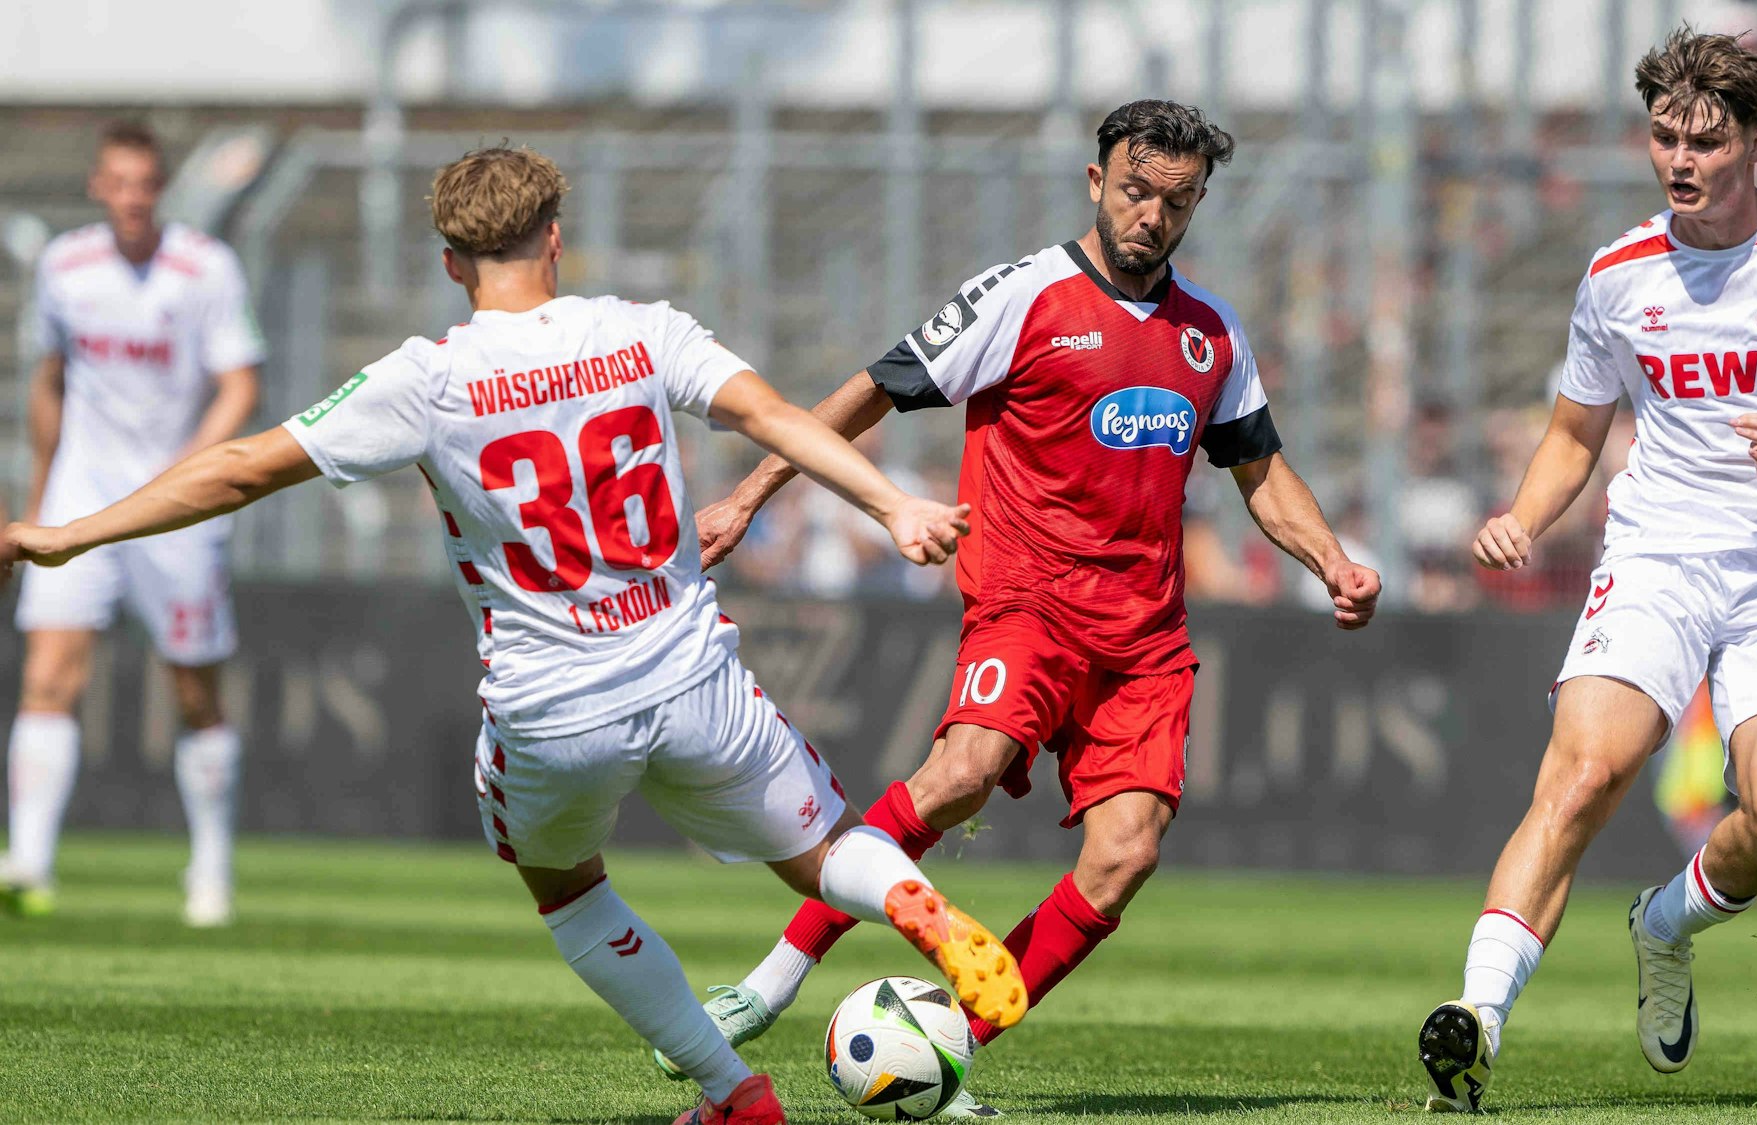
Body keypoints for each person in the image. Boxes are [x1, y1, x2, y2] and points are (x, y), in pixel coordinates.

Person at [0, 145, 1026, 1125]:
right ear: (555, 238)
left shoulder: (428, 378)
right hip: (690, 675)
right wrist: (890, 504)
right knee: (826, 850)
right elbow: (773, 415)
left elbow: (237, 469)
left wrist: (73, 531)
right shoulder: (641, 332)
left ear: (451, 262)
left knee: (568, 890)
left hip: (553, 707)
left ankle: (731, 1092)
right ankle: (911, 902)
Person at [687, 99, 1382, 1117]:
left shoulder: (1211, 333)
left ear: (1196, 204)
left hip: (1144, 640)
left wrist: (1333, 561)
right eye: (1135, 190)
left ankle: (947, 1052)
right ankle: (772, 980)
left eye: (1177, 200)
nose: (1152, 214)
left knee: (1125, 855)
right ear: (1096, 182)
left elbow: (1260, 472)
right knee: (961, 773)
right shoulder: (1021, 296)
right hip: (1028, 605)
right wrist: (750, 496)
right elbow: (871, 389)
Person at [1417, 28, 1757, 1113]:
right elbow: (1574, 432)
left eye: (1705, 141)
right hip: (1656, 551)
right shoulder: (1617, 274)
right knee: (1581, 775)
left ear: (1756, 141)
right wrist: (1521, 517)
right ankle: (1476, 1019)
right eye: (1663, 138)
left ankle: (1663, 924)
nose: (1680, 160)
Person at [2, 122, 264, 926]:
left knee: (193, 686)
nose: (131, 199)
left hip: (174, 505)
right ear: (97, 186)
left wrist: (187, 470)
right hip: (81, 495)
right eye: (118, 184)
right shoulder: (65, 266)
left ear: (161, 189)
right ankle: (30, 861)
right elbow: (51, 381)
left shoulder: (205, 267)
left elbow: (240, 384)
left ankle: (211, 867)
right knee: (50, 671)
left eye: (145, 184)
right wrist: (41, 497)